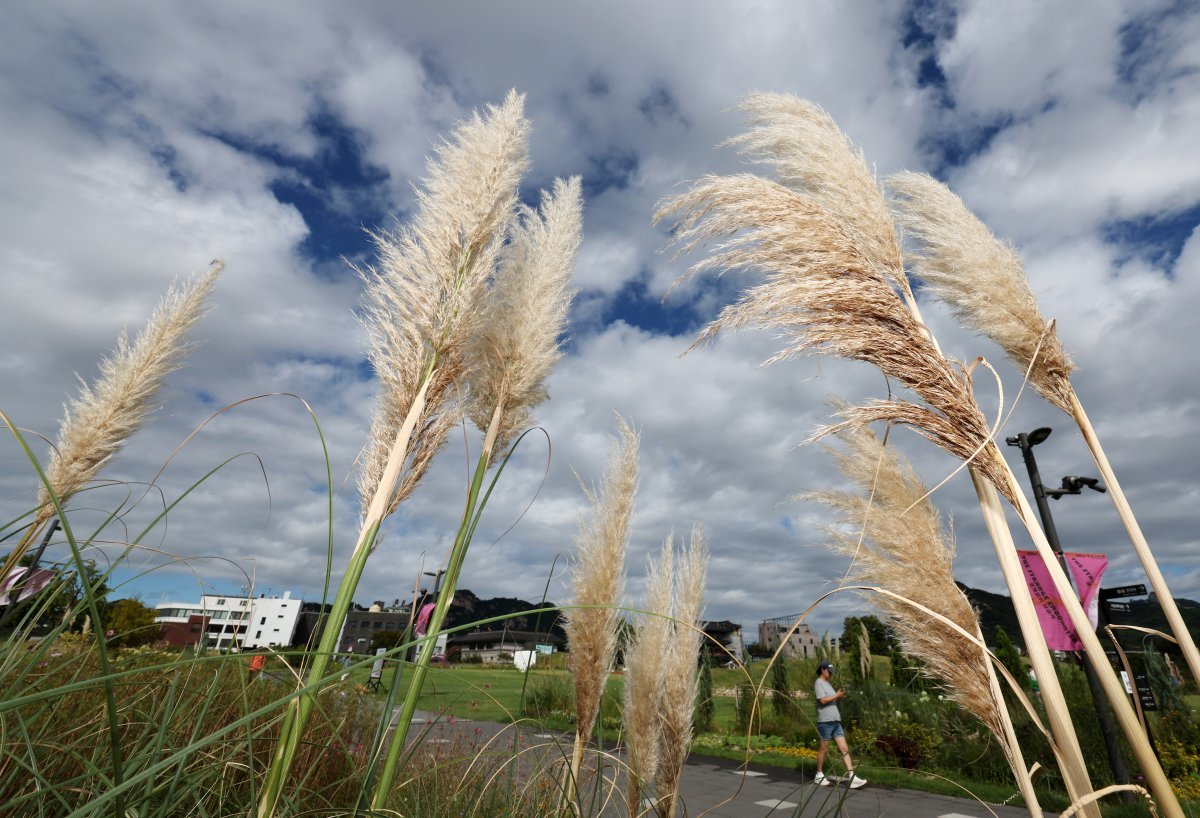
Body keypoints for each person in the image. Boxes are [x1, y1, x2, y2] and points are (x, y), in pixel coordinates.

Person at [813, 661, 866, 788]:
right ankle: (818, 774)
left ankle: (851, 776)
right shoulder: (818, 683)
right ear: (822, 670)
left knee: (844, 749)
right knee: (823, 750)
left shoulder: (828, 684)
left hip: (836, 721)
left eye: (832, 672)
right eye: (829, 671)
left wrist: (837, 696)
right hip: (825, 722)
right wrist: (836, 695)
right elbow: (822, 700)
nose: (831, 674)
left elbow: (830, 699)